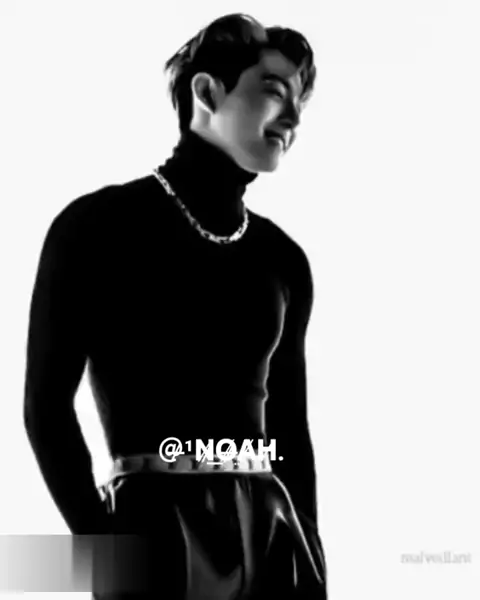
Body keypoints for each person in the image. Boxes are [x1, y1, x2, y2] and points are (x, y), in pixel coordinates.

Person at [23, 12, 328, 599]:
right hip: (153, 532)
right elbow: (45, 410)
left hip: (273, 538)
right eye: (273, 91)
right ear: (207, 92)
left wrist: (313, 561)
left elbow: (291, 428)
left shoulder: (284, 259)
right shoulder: (94, 227)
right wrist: (103, 556)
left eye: (300, 102)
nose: (293, 118)